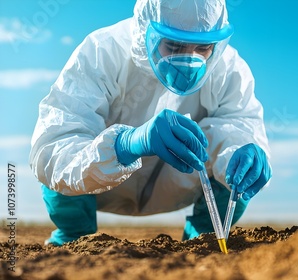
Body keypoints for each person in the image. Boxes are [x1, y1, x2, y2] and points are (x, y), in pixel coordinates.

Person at [29, 0, 272, 246]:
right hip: (96, 188)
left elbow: (239, 124)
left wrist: (240, 152)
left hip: (176, 186)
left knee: (237, 163)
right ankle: (75, 236)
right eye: (174, 45)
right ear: (147, 29)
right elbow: (54, 147)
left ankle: (204, 241)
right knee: (65, 161)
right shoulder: (102, 51)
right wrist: (126, 145)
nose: (189, 61)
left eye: (203, 47)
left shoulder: (228, 69)